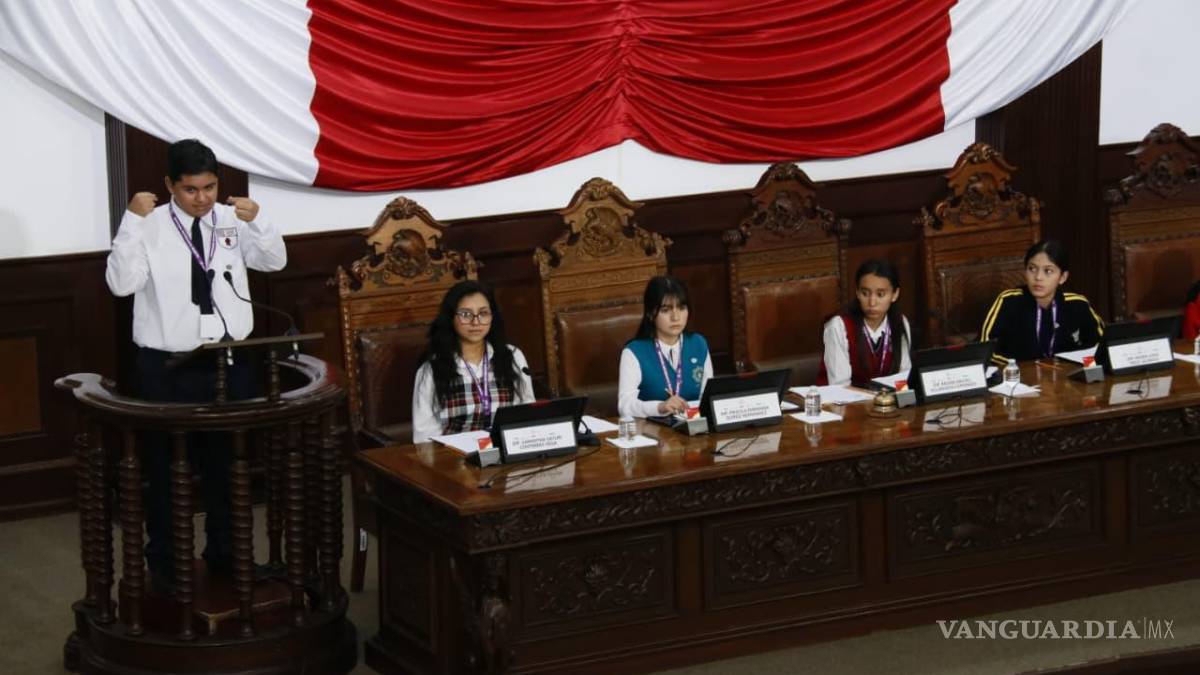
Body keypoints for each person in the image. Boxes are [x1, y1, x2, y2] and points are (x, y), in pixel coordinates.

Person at [105, 139, 286, 589]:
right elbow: (121, 285)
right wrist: (131, 222)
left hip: (227, 361)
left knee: (229, 468)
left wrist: (259, 221)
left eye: (209, 187)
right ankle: (166, 564)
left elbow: (274, 261)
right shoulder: (148, 225)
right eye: (190, 189)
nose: (201, 198)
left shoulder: (230, 219)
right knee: (167, 470)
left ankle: (226, 554)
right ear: (170, 184)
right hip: (167, 367)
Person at [412, 280, 534, 442]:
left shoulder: (512, 356)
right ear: (451, 317)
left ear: (492, 316)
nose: (476, 322)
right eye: (466, 314)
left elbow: (526, 414)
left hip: (505, 450)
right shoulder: (432, 368)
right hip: (453, 455)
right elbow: (424, 437)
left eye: (483, 313)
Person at [979, 239, 1104, 366]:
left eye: (1048, 271)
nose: (1038, 277)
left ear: (1062, 277)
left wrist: (1080, 365)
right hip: (1020, 375)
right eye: (1032, 269)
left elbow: (1101, 344)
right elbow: (984, 350)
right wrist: (1023, 367)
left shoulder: (1077, 304)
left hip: (1067, 375)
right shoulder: (1008, 301)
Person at [617, 276, 714, 418]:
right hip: (652, 428)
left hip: (694, 425)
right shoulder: (634, 352)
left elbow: (708, 396)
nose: (675, 317)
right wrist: (660, 407)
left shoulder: (698, 343)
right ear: (650, 314)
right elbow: (624, 405)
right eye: (666, 310)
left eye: (681, 308)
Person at [818, 259, 912, 386]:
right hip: (843, 397)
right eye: (865, 293)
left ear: (894, 294)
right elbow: (839, 385)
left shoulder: (900, 322)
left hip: (886, 397)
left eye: (880, 294)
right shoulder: (838, 326)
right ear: (857, 292)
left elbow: (903, 376)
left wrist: (901, 396)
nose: (872, 302)